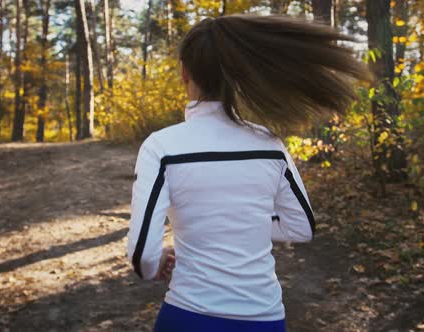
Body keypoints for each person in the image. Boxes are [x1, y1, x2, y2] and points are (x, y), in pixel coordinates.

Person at [126, 14, 371, 332]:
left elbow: (142, 256)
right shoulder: (269, 144)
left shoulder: (161, 147)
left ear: (184, 72)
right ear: (235, 75)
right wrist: (243, 220)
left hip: (188, 316)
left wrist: (157, 264)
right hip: (264, 319)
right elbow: (301, 227)